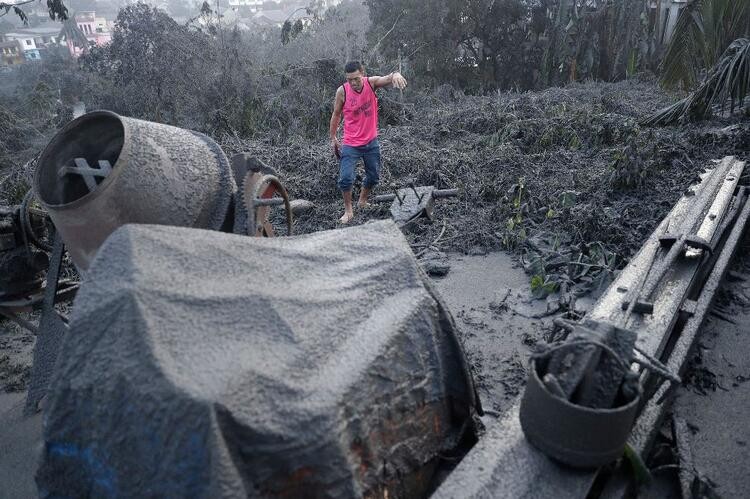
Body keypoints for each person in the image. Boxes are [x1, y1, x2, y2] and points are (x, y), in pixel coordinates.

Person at [329, 61, 407, 224]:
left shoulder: (371, 83)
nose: (353, 83)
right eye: (349, 80)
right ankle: (348, 210)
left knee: (373, 176)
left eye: (356, 79)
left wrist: (396, 74)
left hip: (371, 142)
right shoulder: (342, 91)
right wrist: (333, 137)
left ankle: (362, 200)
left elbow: (387, 78)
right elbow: (336, 114)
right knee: (345, 179)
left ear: (362, 73)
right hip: (350, 143)